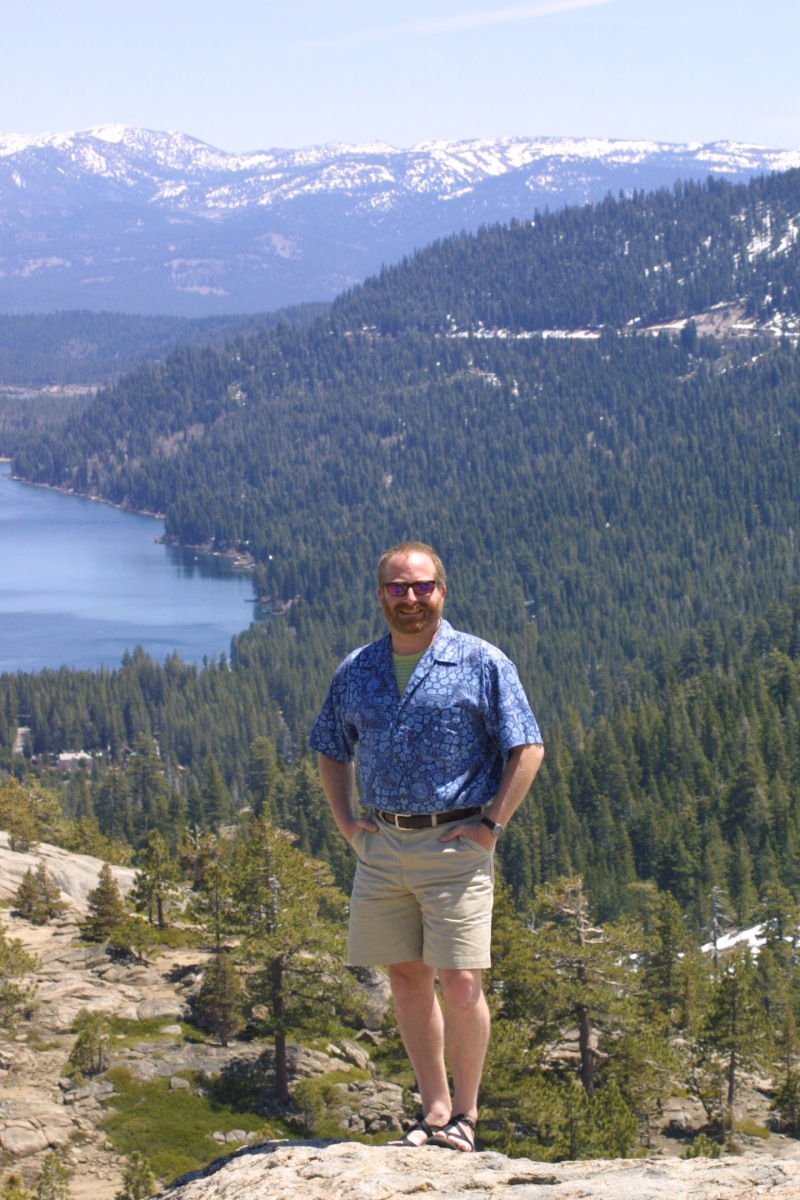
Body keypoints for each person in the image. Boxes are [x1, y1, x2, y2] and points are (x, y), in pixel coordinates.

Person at [309, 541, 544, 1151]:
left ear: (442, 590)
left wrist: (492, 826)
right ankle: (434, 1111)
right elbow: (330, 748)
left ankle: (466, 1114)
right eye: (397, 588)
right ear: (380, 595)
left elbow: (527, 747)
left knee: (461, 981)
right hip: (382, 844)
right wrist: (347, 824)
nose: (409, 598)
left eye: (421, 587)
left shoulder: (481, 661)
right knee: (406, 979)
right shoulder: (357, 669)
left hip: (455, 844)